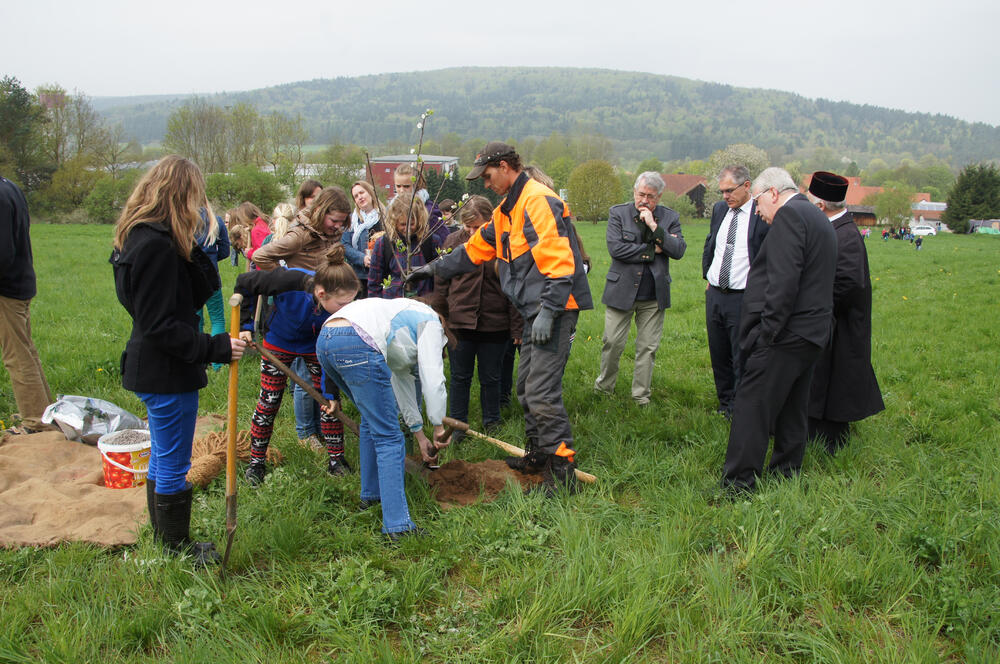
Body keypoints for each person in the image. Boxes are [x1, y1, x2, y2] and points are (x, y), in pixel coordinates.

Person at [406, 141, 593, 495]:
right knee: (525, 388)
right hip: (533, 310)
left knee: (542, 393)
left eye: (488, 176)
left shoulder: (537, 200)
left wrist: (548, 313)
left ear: (506, 167)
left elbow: (560, 260)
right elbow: (473, 251)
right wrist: (430, 269)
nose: (485, 184)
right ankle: (537, 455)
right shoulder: (506, 210)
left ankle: (562, 472)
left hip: (555, 308)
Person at [110, 155, 247, 565]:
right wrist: (217, 347)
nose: (201, 206)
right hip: (165, 371)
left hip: (157, 366)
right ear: (182, 195)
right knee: (173, 463)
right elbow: (160, 325)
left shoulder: (146, 238)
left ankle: (164, 539)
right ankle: (176, 550)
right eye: (197, 196)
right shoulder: (154, 246)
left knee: (164, 458)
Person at [312, 252, 449, 540]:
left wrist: (420, 436)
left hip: (326, 341)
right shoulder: (430, 323)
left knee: (371, 421)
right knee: (389, 437)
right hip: (356, 341)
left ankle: (370, 495)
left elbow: (400, 382)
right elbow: (433, 377)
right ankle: (398, 527)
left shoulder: (398, 319)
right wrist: (438, 426)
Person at [721, 167, 837, 495]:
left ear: (773, 193)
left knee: (751, 404)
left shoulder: (790, 217)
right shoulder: (817, 217)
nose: (757, 211)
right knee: (793, 407)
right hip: (813, 332)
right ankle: (786, 472)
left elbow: (783, 282)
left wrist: (766, 332)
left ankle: (739, 483)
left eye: (758, 202)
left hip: (785, 334)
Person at [234, 248, 349, 486]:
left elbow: (330, 359)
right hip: (278, 343)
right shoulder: (288, 279)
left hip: (316, 345)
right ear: (321, 293)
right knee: (269, 401)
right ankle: (256, 462)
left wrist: (331, 393)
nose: (344, 309)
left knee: (329, 402)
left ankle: (336, 460)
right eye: (339, 303)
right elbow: (244, 283)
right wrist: (245, 325)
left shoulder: (341, 307)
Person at [429, 195, 522, 441]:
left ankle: (492, 423)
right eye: (467, 227)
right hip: (460, 323)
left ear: (490, 222)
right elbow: (441, 283)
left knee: (491, 376)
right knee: (460, 376)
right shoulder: (451, 242)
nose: (471, 233)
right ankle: (458, 426)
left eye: (478, 228)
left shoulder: (505, 244)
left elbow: (513, 289)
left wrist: (516, 329)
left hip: (495, 324)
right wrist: (441, 318)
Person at [805, 171, 884, 452]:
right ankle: (815, 431)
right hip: (830, 321)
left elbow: (848, 285)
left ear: (820, 206)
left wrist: (813, 302)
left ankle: (831, 439)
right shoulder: (835, 229)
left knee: (835, 383)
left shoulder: (847, 235)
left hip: (842, 326)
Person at [593, 171, 686, 406]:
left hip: (654, 295)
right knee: (612, 342)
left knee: (647, 347)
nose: (645, 200)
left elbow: (678, 250)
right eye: (641, 194)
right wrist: (652, 250)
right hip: (621, 289)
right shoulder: (618, 213)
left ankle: (640, 396)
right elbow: (616, 249)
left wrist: (654, 227)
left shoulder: (669, 218)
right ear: (634, 192)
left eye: (651, 196)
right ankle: (604, 388)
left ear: (659, 196)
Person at [701, 165, 770, 417]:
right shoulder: (720, 210)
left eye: (730, 190)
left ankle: (741, 408)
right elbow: (712, 243)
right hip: (716, 294)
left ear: (747, 186)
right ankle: (725, 404)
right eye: (722, 191)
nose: (725, 196)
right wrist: (707, 275)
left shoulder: (760, 213)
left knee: (741, 354)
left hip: (744, 298)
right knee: (718, 353)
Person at [0, 176, 54, 433]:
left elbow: (2, 253)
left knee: (16, 356)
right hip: (20, 281)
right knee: (26, 351)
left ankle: (34, 421)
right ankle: (43, 412)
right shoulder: (9, 186)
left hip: (6, 289)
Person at [251, 188, 351, 271]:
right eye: (334, 221)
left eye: (342, 222)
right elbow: (260, 256)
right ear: (318, 211)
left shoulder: (333, 233)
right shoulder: (299, 235)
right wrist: (287, 279)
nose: (338, 226)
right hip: (305, 292)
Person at [368, 193, 441, 299]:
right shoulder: (384, 244)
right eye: (402, 224)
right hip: (393, 305)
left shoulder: (431, 242)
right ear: (394, 222)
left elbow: (439, 279)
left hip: (423, 303)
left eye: (411, 224)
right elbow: (374, 283)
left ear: (420, 221)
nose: (407, 229)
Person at [195, 206, 231, 371]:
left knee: (196, 319)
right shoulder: (216, 220)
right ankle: (217, 364)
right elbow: (224, 250)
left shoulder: (185, 219)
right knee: (217, 319)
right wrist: (212, 258)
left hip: (190, 277)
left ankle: (199, 361)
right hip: (211, 276)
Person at [342, 180, 386, 296]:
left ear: (370, 193)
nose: (360, 197)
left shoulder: (386, 217)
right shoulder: (351, 221)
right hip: (360, 276)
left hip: (383, 274)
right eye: (356, 196)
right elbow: (344, 245)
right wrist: (362, 258)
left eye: (362, 192)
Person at [393, 163, 448, 245]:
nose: (401, 190)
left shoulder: (428, 210)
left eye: (406, 186)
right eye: (398, 186)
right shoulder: (392, 209)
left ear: (417, 185)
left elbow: (445, 239)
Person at [229, 202, 271, 268]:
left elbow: (261, 253)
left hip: (263, 269)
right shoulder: (262, 223)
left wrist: (249, 253)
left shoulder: (257, 230)